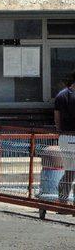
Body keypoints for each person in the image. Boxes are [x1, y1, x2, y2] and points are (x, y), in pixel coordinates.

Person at [55, 69, 75, 202]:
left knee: (69, 171)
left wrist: (60, 130)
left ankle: (62, 201)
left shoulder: (61, 95)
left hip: (65, 137)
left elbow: (57, 118)